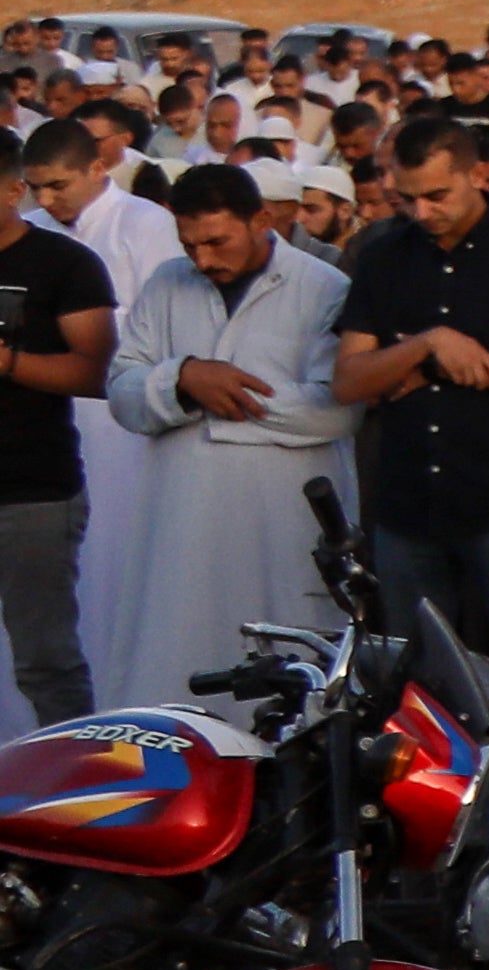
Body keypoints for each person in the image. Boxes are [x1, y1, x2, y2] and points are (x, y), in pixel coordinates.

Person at [89, 165, 353, 709]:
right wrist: (184, 378)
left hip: (281, 521)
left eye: (217, 242)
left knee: (286, 669)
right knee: (173, 659)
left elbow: (334, 410)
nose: (203, 260)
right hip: (177, 525)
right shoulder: (167, 282)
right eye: (190, 245)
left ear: (261, 219)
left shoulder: (323, 286)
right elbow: (122, 389)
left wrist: (219, 397)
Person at [332, 119, 489, 675]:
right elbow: (349, 379)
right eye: (409, 198)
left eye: (437, 195)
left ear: (478, 176)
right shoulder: (383, 256)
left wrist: (438, 369)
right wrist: (431, 343)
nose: (422, 212)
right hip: (405, 508)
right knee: (416, 678)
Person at [0, 153, 117, 732]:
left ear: (13, 189)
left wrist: (7, 361)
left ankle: (76, 788)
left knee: (46, 659)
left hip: (32, 491)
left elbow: (99, 374)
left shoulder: (64, 263)